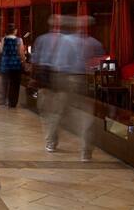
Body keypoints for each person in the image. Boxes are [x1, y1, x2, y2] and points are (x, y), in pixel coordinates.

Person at [34, 15, 103, 159]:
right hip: (83, 79)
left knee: (57, 112)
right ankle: (86, 151)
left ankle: (52, 142)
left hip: (64, 78)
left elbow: (58, 63)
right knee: (85, 115)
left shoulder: (65, 41)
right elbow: (97, 63)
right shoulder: (94, 42)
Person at [0, 24, 26, 108]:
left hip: (6, 65)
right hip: (15, 65)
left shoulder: (4, 39)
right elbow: (21, 52)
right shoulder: (19, 40)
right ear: (15, 31)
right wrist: (23, 62)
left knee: (5, 83)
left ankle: (3, 101)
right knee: (15, 84)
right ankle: (12, 103)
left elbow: (1, 51)